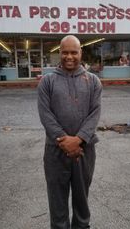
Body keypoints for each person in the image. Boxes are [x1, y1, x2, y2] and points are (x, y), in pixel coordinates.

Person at [37, 35, 102, 229]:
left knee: (82, 199)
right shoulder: (47, 82)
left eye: (74, 52)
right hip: (55, 150)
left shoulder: (93, 81)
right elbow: (45, 114)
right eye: (65, 52)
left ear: (81, 53)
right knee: (57, 201)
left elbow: (95, 112)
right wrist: (64, 140)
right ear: (59, 53)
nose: (69, 56)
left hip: (84, 150)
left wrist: (79, 139)